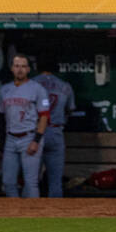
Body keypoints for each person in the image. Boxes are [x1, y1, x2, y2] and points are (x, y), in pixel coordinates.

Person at [0, 54, 49, 198]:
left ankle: (33, 217)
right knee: (8, 182)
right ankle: (14, 215)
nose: (20, 69)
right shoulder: (5, 89)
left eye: (23, 66)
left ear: (28, 69)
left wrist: (37, 140)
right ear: (11, 69)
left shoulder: (38, 89)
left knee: (30, 182)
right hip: (11, 138)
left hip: (29, 136)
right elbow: (0, 117)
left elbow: (44, 116)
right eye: (16, 66)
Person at [32, 68, 75, 198]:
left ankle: (28, 214)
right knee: (55, 182)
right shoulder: (64, 85)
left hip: (35, 133)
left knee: (31, 181)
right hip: (55, 130)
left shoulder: (32, 84)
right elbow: (70, 110)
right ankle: (56, 216)